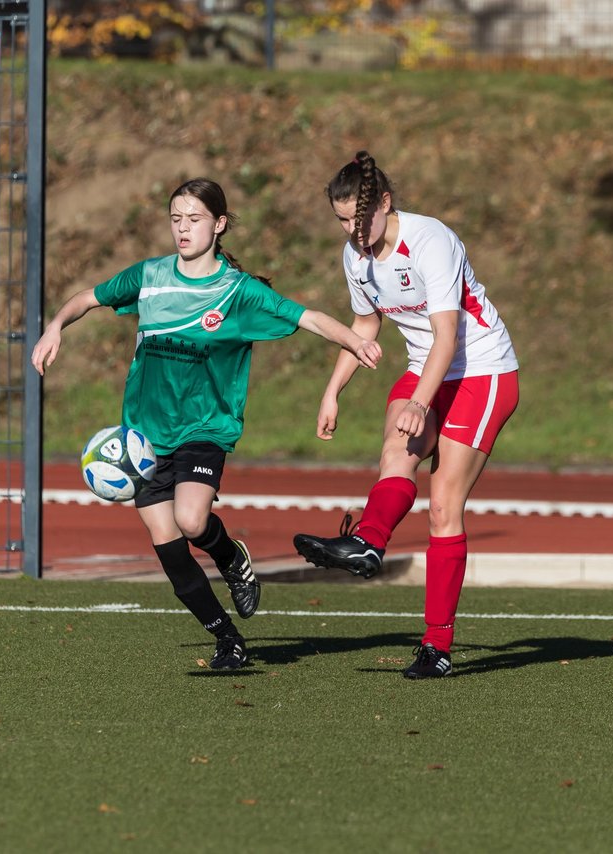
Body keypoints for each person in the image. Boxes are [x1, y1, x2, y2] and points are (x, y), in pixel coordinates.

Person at [32, 178, 382, 671]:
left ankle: (230, 554)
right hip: (143, 436)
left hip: (204, 426)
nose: (183, 228)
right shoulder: (150, 276)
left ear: (218, 225)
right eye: (176, 219)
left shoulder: (238, 292)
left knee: (193, 521)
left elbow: (306, 317)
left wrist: (354, 340)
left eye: (194, 219)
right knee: (168, 546)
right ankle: (227, 638)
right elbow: (86, 299)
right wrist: (54, 328)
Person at [292, 151, 520, 679]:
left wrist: (421, 402)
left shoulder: (430, 240)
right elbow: (364, 327)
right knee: (396, 451)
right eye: (342, 220)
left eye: (358, 217)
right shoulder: (356, 256)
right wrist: (333, 391)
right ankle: (368, 543)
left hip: (483, 370)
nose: (351, 230)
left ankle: (437, 647)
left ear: (385, 203)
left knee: (443, 507)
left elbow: (446, 334)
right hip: (427, 368)